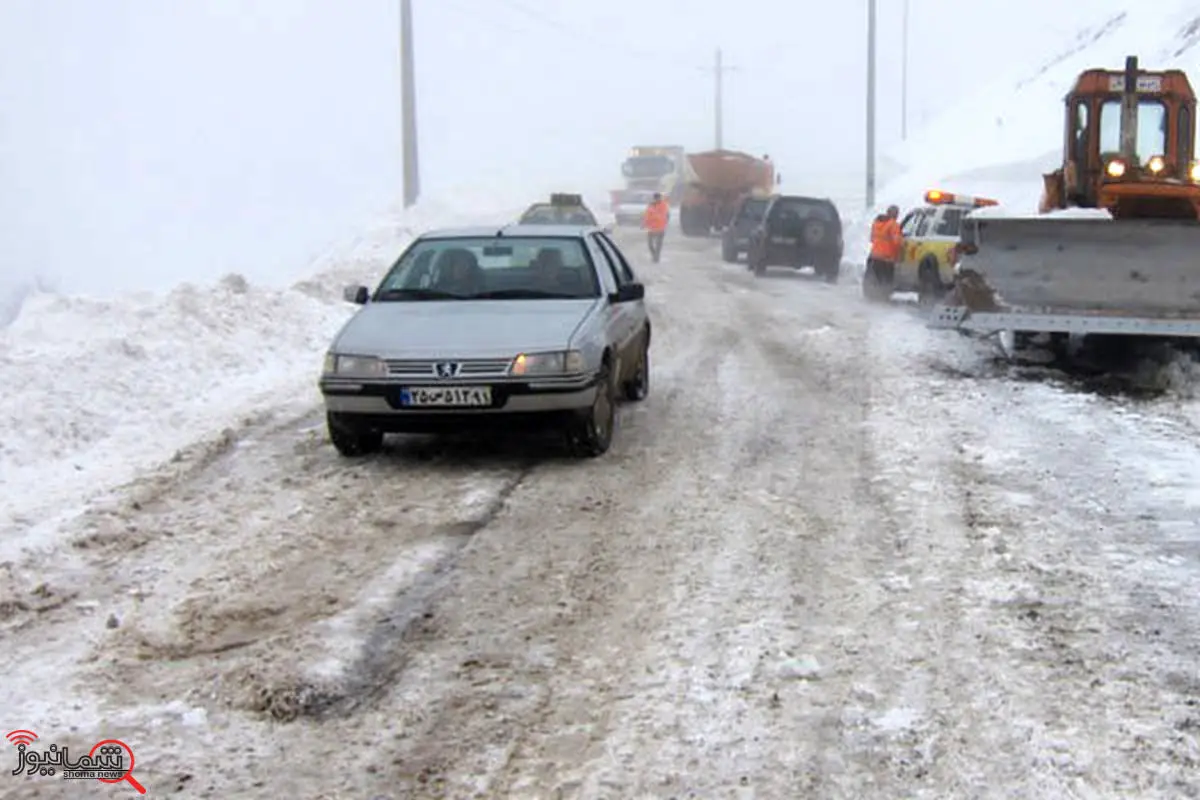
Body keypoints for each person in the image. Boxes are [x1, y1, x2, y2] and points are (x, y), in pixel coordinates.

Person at [865, 204, 903, 301]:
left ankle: (873, 297)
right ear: (895, 214)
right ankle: (883, 299)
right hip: (887, 258)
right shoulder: (893, 224)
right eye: (896, 213)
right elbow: (897, 242)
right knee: (886, 281)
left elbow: (872, 239)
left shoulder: (877, 223)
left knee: (875, 279)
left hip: (874, 256)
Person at [642, 192, 670, 263]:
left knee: (658, 244)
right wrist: (644, 224)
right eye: (656, 198)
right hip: (651, 228)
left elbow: (666, 215)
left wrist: (665, 223)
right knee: (650, 244)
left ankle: (656, 257)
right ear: (654, 198)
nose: (657, 199)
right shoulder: (650, 205)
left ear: (660, 198)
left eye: (658, 198)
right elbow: (647, 215)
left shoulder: (664, 205)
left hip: (660, 228)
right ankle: (654, 255)